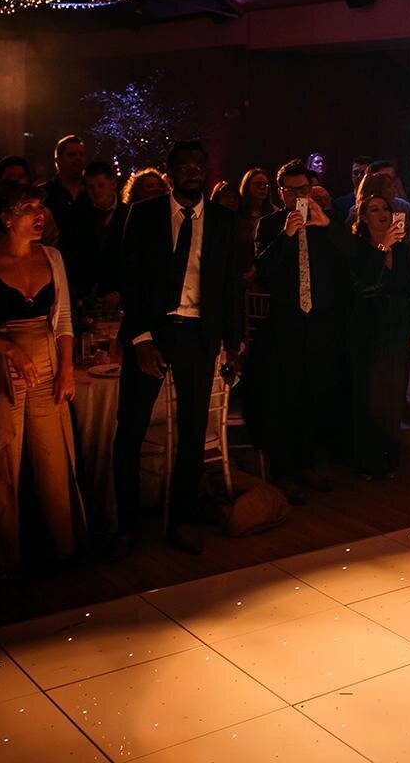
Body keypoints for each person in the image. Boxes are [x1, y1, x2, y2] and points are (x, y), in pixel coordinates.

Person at [108, 140, 245, 559]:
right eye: (183, 165)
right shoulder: (145, 214)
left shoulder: (223, 219)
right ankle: (125, 523)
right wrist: (140, 338)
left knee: (191, 431)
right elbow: (129, 280)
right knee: (129, 428)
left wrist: (235, 343)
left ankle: (181, 519)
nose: (192, 171)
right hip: (151, 331)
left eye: (198, 164)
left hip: (199, 333)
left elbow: (230, 285)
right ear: (171, 172)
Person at [0, 181, 87, 578]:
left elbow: (64, 318)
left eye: (40, 208)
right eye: (28, 208)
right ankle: (1, 559)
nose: (39, 215)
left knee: (52, 457)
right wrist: (9, 349)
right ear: (6, 218)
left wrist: (66, 368)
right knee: (2, 459)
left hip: (48, 360)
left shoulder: (52, 256)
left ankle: (62, 548)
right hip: (2, 367)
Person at [244, 160, 356, 502]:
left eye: (304, 190)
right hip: (286, 323)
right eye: (292, 191)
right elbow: (263, 271)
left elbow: (353, 259)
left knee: (317, 392)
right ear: (281, 193)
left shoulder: (328, 221)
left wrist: (327, 224)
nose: (299, 197)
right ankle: (283, 470)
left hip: (323, 322)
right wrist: (287, 235)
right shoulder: (270, 224)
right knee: (284, 396)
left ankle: (310, 462)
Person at [349, 178, 410, 480]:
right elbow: (363, 284)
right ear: (363, 217)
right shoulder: (357, 247)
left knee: (394, 392)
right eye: (374, 209)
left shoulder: (403, 250)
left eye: (386, 208)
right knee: (370, 393)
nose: (382, 213)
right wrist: (382, 248)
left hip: (398, 324)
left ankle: (390, 454)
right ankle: (368, 458)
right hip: (368, 324)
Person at [60, 161, 127, 311]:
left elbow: (135, 260)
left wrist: (120, 292)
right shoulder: (77, 215)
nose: (96, 191)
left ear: (113, 185)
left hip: (120, 297)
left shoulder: (130, 215)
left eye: (100, 185)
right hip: (86, 297)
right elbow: (69, 254)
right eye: (91, 186)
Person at [0, 156, 61, 251]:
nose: (17, 181)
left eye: (21, 176)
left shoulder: (41, 212)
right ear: (0, 180)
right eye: (11, 177)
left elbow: (51, 243)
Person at [40, 135, 87, 219]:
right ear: (57, 161)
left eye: (81, 154)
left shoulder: (93, 190)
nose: (78, 158)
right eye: (72, 154)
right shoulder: (43, 193)